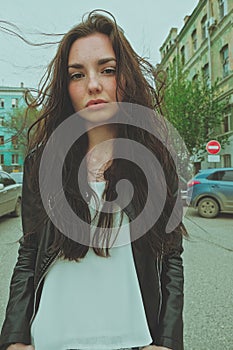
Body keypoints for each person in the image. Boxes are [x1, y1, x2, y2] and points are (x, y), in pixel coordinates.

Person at [0, 10, 187, 350]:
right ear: (66, 87)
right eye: (77, 74)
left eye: (107, 69)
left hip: (133, 340)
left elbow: (171, 256)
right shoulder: (43, 163)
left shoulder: (156, 163)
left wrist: (168, 340)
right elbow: (29, 254)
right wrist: (13, 337)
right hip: (51, 339)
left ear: (125, 77)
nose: (93, 84)